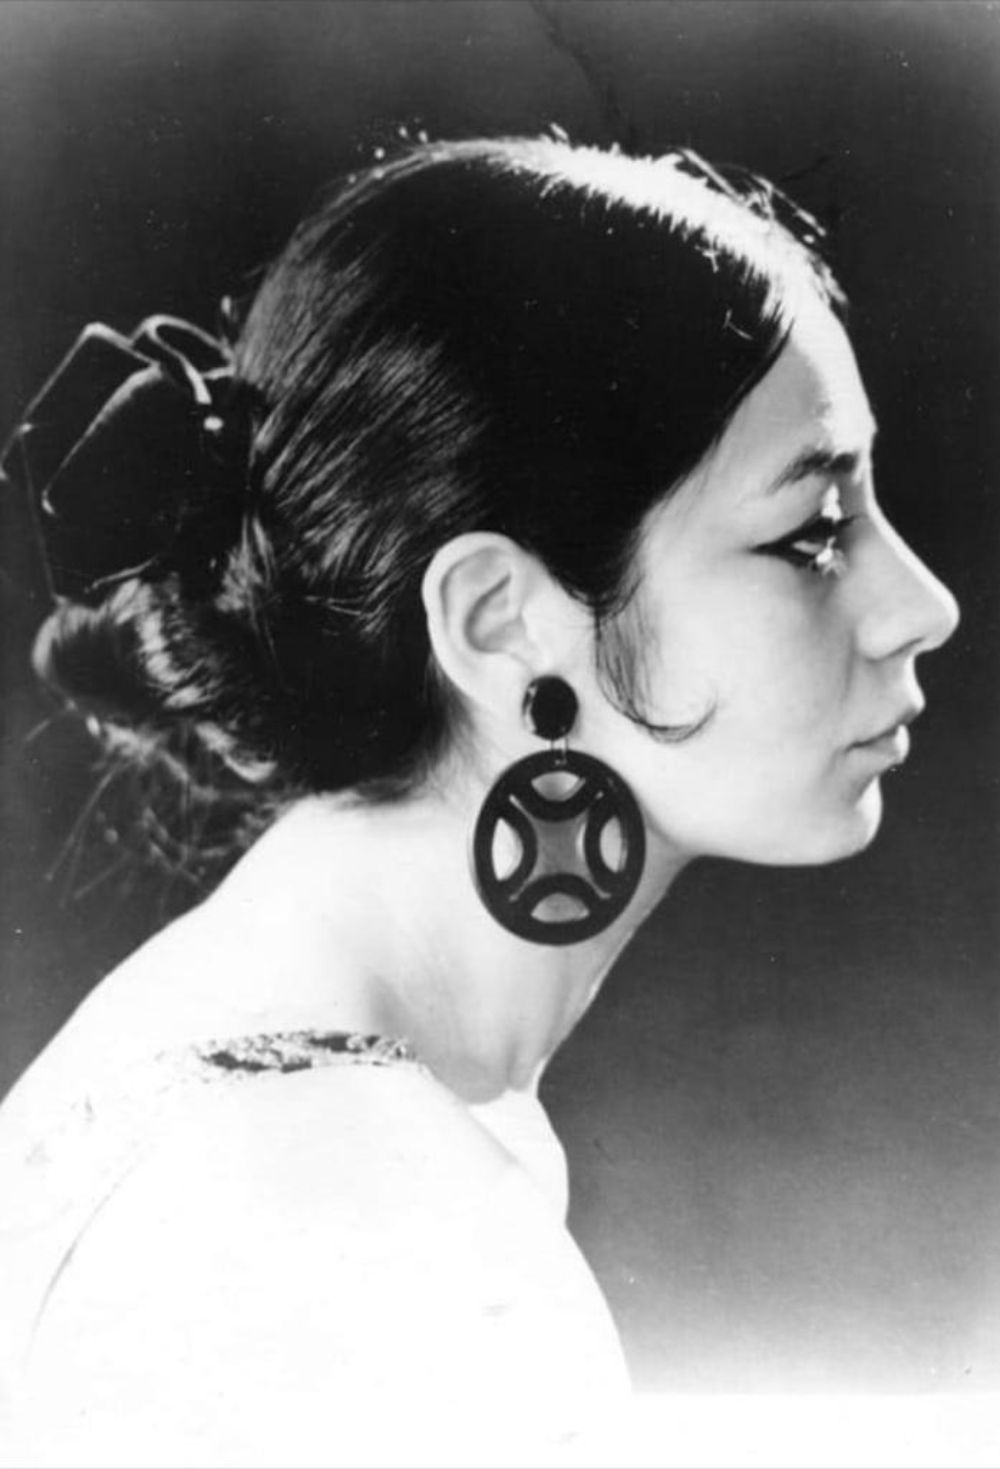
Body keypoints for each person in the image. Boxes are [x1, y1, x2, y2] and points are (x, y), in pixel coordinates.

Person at [0, 137, 959, 1467]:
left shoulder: (255, 1017)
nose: (923, 604)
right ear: (501, 618)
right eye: (811, 533)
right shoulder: (403, 1258)